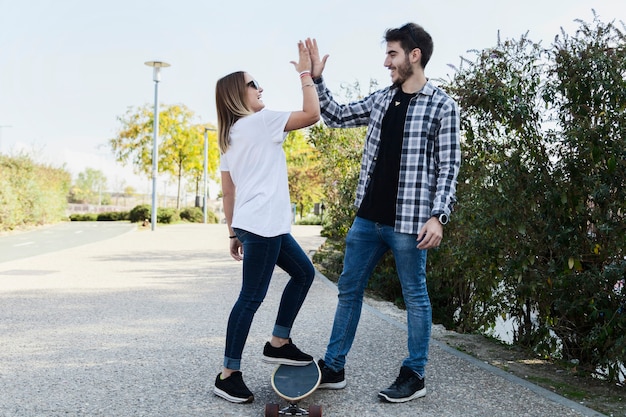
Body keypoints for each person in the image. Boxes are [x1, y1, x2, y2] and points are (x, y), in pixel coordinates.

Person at [305, 23, 461, 403]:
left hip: (410, 224)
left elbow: (449, 167)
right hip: (367, 220)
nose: (386, 61)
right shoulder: (381, 99)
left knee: (416, 296)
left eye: (392, 53)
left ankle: (414, 374)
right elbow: (338, 116)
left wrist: (439, 215)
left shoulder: (442, 105)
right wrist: (316, 79)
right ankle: (334, 366)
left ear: (414, 55)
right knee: (348, 290)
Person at [213, 39, 321, 404]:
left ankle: (278, 342)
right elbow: (311, 114)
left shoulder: (228, 136)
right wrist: (306, 73)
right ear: (237, 94)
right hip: (263, 224)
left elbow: (228, 192)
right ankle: (228, 374)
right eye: (253, 84)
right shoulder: (260, 121)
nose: (261, 89)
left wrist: (232, 232)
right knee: (251, 297)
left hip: (255, 223)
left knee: (304, 273)